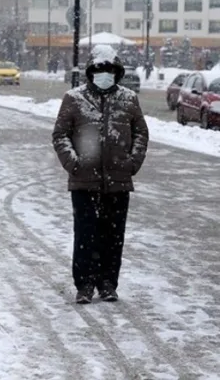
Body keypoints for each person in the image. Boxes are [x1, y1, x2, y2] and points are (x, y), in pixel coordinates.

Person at [51, 54, 149, 304]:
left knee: (113, 235)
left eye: (110, 70)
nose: (105, 75)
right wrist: (73, 162)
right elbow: (61, 134)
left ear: (117, 72)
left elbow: (141, 133)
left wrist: (132, 162)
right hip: (84, 180)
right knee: (85, 234)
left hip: (118, 180)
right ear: (91, 71)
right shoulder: (74, 99)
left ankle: (107, 282)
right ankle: (84, 284)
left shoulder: (128, 99)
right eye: (99, 69)